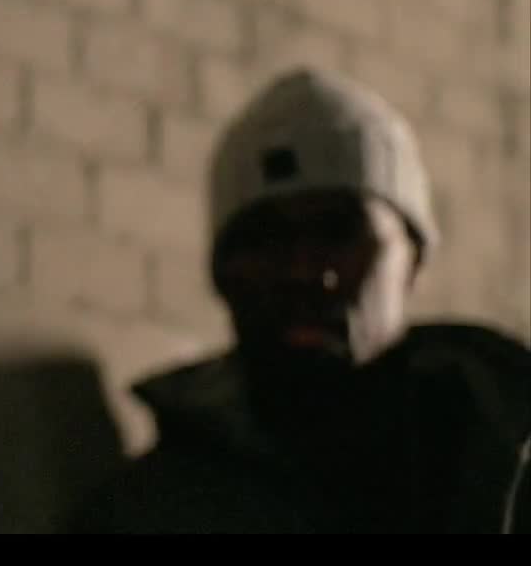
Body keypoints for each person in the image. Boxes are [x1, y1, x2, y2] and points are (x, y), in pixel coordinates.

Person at [70, 66, 531, 534]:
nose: (303, 272)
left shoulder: (507, 473)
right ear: (222, 274)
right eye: (265, 238)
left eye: (339, 232)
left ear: (412, 259)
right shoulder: (143, 515)